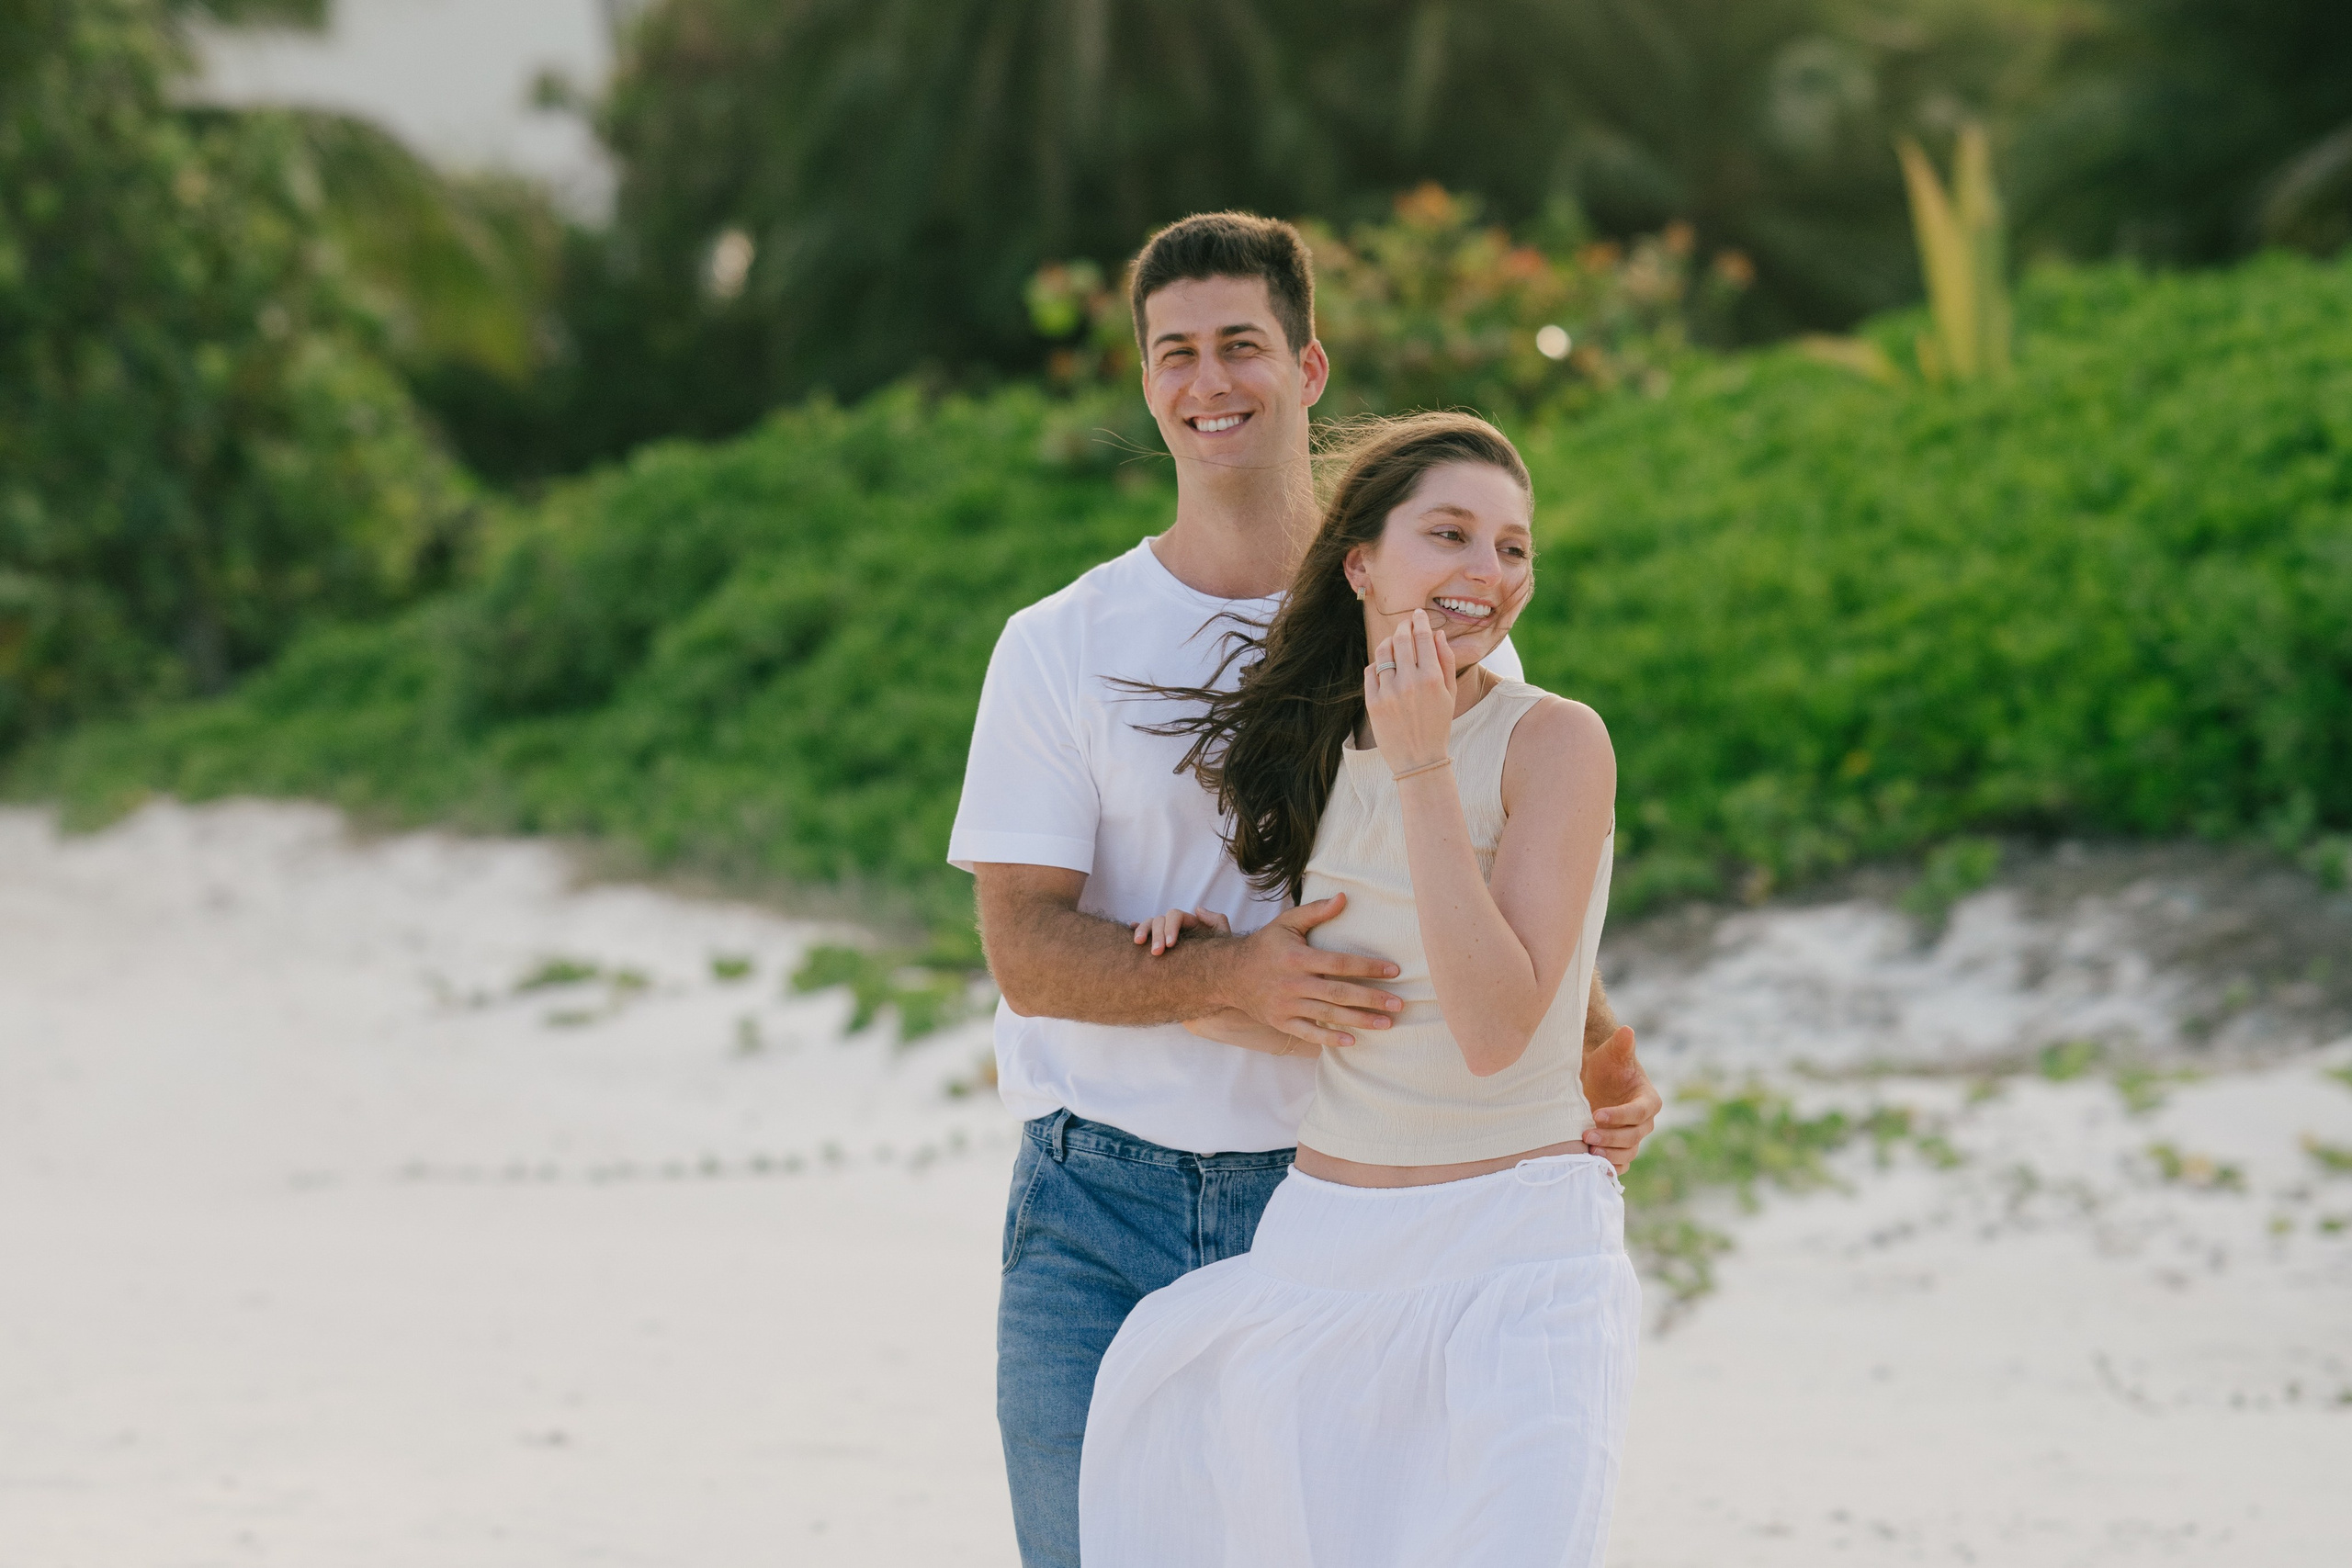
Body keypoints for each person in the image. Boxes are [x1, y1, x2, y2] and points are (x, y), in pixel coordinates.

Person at [946, 212, 1661, 1568]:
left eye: (1241, 346)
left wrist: (1598, 1040)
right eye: (1175, 354)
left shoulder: (1433, 609)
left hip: (1341, 1198)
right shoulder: (1058, 646)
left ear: (1309, 364)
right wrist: (1223, 976)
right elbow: (1025, 950)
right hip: (1095, 1200)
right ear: (1146, 380)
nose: (1208, 381)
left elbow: (1490, 876)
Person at [1082, 410, 1634, 1564]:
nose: (1488, 572)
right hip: (1322, 1250)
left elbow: (1491, 1029)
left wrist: (1427, 763)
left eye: (1513, 547)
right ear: (1363, 564)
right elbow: (1344, 1010)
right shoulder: (1313, 757)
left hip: (1516, 1261)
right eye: (1450, 535)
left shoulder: (1556, 744)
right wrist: (1209, 966)